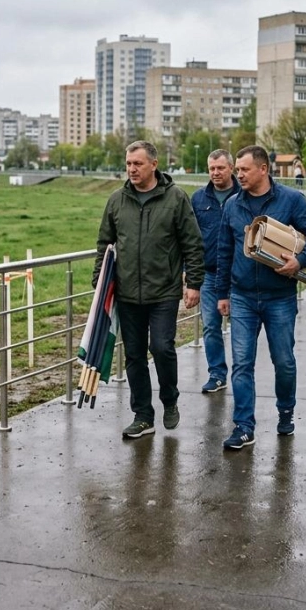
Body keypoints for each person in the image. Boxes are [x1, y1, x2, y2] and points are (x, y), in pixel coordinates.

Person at [216, 145, 306, 449]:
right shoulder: (231, 205)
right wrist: (222, 293)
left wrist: (300, 261)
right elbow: (224, 251)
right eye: (237, 169)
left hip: (279, 297)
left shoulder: (290, 200)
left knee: (284, 362)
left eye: (244, 169)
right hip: (241, 297)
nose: (238, 174)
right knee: (241, 363)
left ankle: (285, 410)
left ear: (263, 169)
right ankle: (243, 426)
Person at [93, 140, 204, 440]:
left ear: (154, 164)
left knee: (162, 347)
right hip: (128, 293)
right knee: (134, 356)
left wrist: (193, 283)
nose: (131, 169)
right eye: (128, 164)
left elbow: (192, 244)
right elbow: (105, 244)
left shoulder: (176, 198)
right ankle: (143, 415)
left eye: (137, 164)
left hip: (164, 291)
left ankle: (170, 400)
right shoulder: (117, 200)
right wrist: (99, 285)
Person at [191, 150, 242, 395]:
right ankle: (217, 374)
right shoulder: (199, 199)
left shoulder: (244, 196)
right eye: (211, 168)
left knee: (242, 326)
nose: (215, 173)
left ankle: (243, 373)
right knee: (211, 326)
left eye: (220, 168)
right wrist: (189, 275)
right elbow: (190, 240)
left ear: (231, 168)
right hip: (209, 274)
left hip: (239, 275)